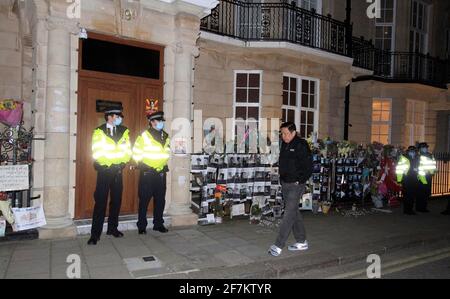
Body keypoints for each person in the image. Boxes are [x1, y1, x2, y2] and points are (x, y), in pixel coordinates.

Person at [88, 105, 132, 245]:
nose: (119, 119)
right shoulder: (99, 131)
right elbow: (96, 151)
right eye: (117, 116)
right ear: (109, 117)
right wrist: (105, 164)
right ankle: (95, 234)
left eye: (119, 116)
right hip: (104, 171)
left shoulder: (124, 131)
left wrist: (122, 162)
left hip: (118, 170)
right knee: (100, 202)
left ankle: (113, 228)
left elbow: (127, 150)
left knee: (116, 201)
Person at [269, 122, 312, 257]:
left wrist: (300, 180)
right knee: (294, 213)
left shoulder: (301, 144)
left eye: (286, 133)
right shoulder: (285, 144)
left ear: (294, 133)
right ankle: (302, 241)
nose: (284, 136)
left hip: (296, 184)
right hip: (285, 183)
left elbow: (308, 166)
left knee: (288, 214)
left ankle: (278, 245)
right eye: (282, 133)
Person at [133, 111, 170, 234]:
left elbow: (167, 153)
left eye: (162, 121)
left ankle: (158, 224)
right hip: (148, 173)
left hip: (160, 173)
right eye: (159, 121)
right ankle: (142, 226)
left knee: (160, 200)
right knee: (144, 200)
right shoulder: (144, 136)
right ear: (152, 122)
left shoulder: (165, 136)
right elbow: (136, 152)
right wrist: (142, 164)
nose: (161, 123)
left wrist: (163, 164)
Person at [396, 146, 424, 215]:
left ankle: (410, 209)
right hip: (407, 179)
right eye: (411, 151)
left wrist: (422, 179)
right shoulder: (404, 158)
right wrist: (399, 180)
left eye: (414, 151)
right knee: (407, 195)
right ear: (408, 151)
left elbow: (420, 169)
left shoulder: (417, 158)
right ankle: (407, 210)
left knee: (412, 195)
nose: (413, 152)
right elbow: (399, 169)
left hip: (415, 179)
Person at [416, 142, 437, 213]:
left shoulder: (430, 155)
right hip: (421, 177)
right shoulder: (418, 156)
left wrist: (433, 171)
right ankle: (419, 207)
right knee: (420, 193)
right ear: (420, 149)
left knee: (426, 192)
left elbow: (433, 164)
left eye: (426, 147)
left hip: (428, 176)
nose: (425, 148)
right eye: (423, 147)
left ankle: (424, 207)